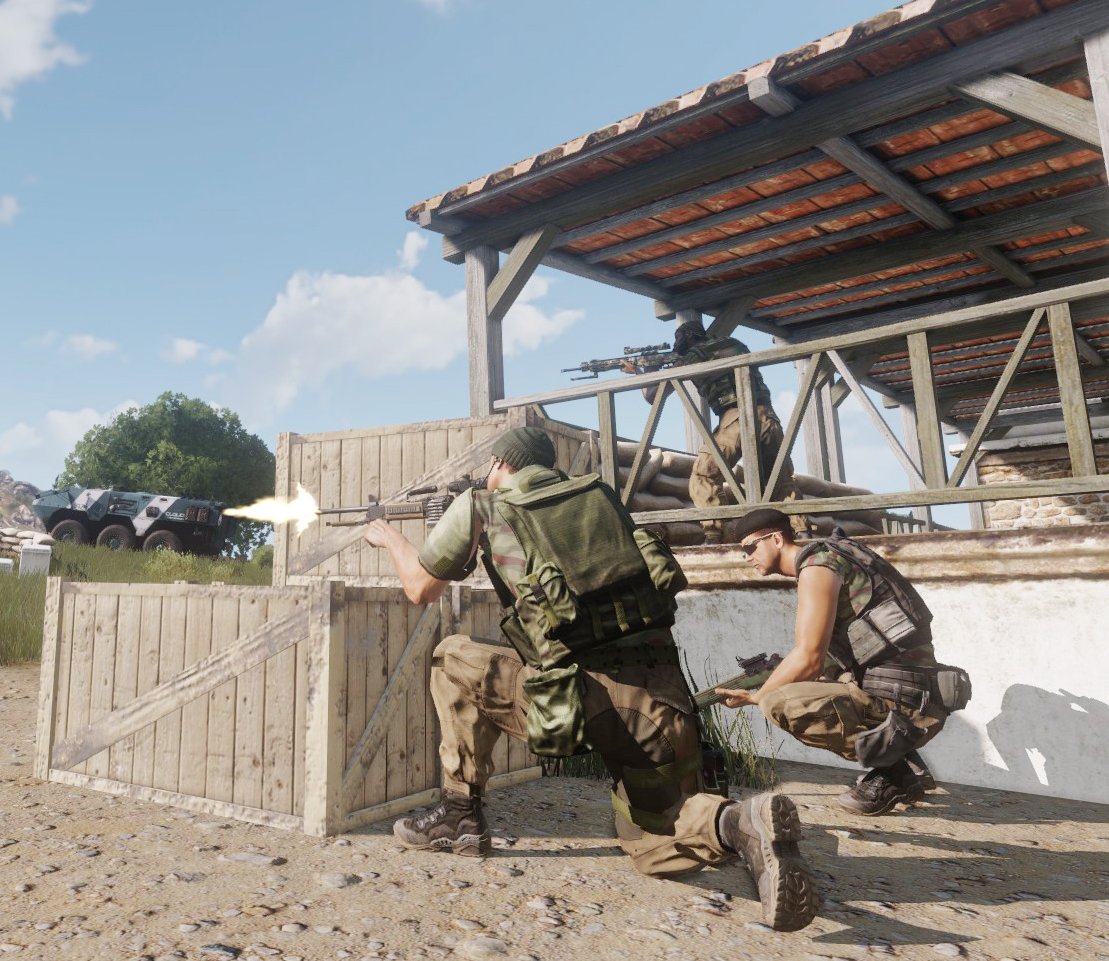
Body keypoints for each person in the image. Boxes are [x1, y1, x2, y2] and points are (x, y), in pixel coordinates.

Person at [365, 426, 819, 932]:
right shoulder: (601, 498)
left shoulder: (481, 506)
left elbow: (420, 588)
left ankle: (459, 814)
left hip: (578, 704)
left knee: (450, 658)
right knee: (655, 846)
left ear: (501, 464)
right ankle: (736, 823)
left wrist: (387, 535)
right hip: (663, 703)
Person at [718, 507, 970, 815]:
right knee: (819, 677)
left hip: (909, 706)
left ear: (777, 539)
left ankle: (893, 772)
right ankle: (907, 764)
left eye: (750, 547)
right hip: (916, 698)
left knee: (779, 702)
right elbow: (823, 661)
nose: (747, 557)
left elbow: (808, 657)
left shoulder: (818, 566)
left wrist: (757, 696)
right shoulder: (832, 557)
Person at [630, 321, 794, 545]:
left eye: (678, 337)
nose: (675, 344)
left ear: (689, 335)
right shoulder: (733, 343)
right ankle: (800, 531)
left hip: (736, 416)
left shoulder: (694, 355)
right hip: (768, 415)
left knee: (703, 474)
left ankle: (714, 535)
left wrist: (642, 371)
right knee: (779, 479)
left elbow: (652, 395)